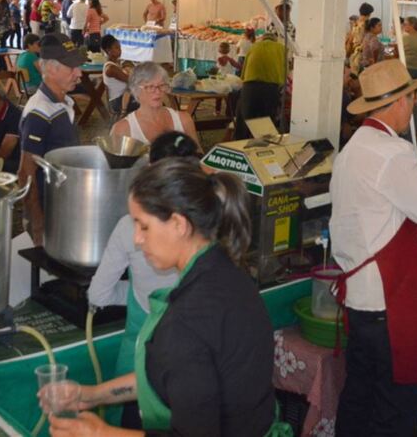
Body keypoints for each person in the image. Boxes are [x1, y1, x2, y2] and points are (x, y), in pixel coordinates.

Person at [50, 158, 287, 437]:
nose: (137, 239)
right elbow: (174, 377)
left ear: (178, 224)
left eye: (144, 226)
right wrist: (91, 396)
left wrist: (100, 433)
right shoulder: (227, 271)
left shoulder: (187, 320)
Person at [329, 60, 417, 436]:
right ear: (403, 101)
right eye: (413, 97)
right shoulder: (394, 153)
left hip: (358, 296)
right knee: (395, 408)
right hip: (390, 301)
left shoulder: (353, 148)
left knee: (358, 397)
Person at [87, 132, 199, 426]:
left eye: (144, 228)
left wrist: (139, 292)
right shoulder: (209, 225)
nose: (141, 238)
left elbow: (98, 294)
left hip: (143, 358)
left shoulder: (128, 227)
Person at [18, 33, 83, 245]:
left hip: (64, 207)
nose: (79, 73)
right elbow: (26, 172)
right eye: (71, 67)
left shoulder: (64, 103)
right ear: (51, 69)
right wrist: (37, 223)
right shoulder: (40, 111)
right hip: (49, 211)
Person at [111, 62, 199, 147]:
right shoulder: (123, 129)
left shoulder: (184, 120)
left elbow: (198, 156)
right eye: (149, 87)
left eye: (161, 85)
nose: (157, 91)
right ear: (136, 90)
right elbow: (117, 162)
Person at [234, 29, 287, 139]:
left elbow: (244, 72)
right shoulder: (282, 48)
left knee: (244, 119)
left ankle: (239, 145)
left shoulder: (254, 47)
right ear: (275, 40)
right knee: (265, 121)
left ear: (262, 39)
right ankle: (263, 148)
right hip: (270, 88)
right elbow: (285, 70)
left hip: (250, 86)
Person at [101, 35, 130, 118]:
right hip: (118, 101)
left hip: (122, 98)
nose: (120, 50)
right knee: (150, 101)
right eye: (117, 48)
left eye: (120, 48)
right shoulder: (111, 68)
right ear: (108, 50)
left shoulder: (115, 64)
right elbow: (131, 80)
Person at [347, 2, 373, 72]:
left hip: (353, 50)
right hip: (359, 52)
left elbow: (351, 37)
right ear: (368, 14)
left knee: (353, 71)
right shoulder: (364, 25)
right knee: (356, 73)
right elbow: (365, 40)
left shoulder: (356, 22)